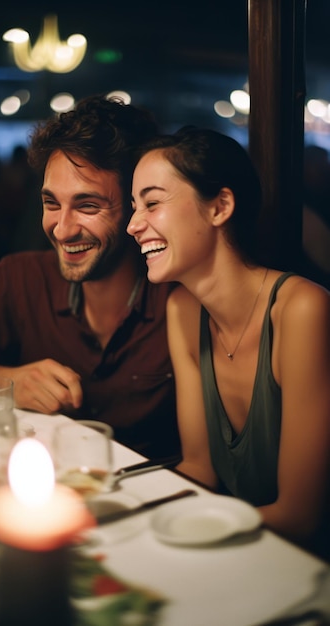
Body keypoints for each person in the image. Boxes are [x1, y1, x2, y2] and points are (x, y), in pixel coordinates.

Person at [128, 126, 330, 556]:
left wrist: (170, 534)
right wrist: (124, 518)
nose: (132, 225)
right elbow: (199, 468)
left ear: (220, 206)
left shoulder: (302, 310)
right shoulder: (182, 310)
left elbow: (300, 517)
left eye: (151, 203)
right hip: (239, 552)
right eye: (133, 207)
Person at [0, 94, 180, 460]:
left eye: (87, 206)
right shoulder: (18, 279)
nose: (63, 229)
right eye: (52, 203)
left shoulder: (180, 302)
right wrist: (5, 384)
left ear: (136, 208)